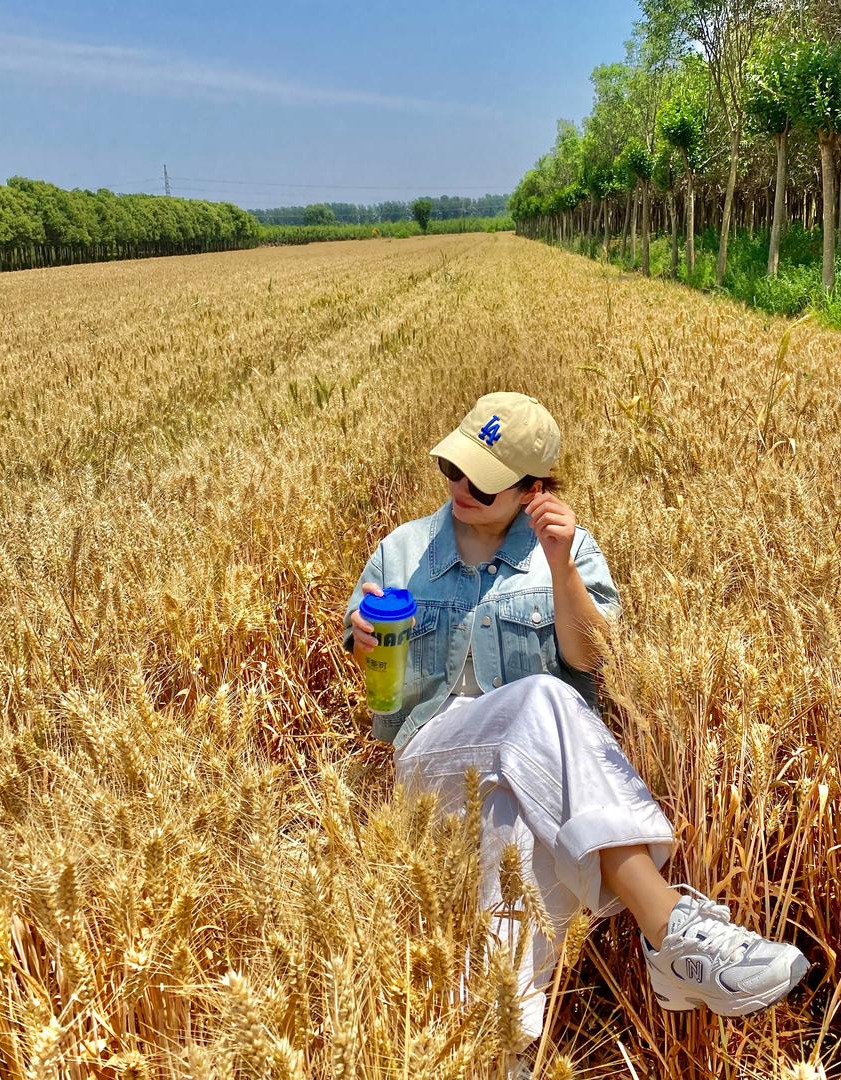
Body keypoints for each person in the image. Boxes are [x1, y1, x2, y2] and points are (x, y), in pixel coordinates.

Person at [341, 392, 808, 1054]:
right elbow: (358, 633)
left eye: (485, 481)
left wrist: (560, 567)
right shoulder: (405, 548)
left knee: (518, 833)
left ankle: (495, 1051)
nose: (461, 488)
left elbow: (591, 656)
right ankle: (669, 926)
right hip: (432, 760)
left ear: (533, 489)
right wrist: (361, 635)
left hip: (535, 775)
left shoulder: (569, 550)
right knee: (543, 701)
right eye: (454, 469)